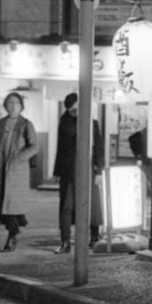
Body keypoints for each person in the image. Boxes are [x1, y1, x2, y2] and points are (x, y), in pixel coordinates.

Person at [52, 92, 104, 254]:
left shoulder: (92, 123)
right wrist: (57, 171)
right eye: (71, 110)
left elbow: (99, 149)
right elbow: (60, 148)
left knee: (92, 204)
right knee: (66, 206)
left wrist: (99, 171)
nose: (74, 112)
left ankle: (94, 236)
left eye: (77, 109)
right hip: (68, 170)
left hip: (88, 169)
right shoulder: (64, 122)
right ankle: (65, 241)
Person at [0, 92, 39, 252]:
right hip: (2, 170)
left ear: (21, 106)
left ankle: (12, 235)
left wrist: (20, 157)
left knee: (11, 207)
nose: (12, 106)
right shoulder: (0, 124)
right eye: (9, 103)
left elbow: (34, 146)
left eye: (16, 103)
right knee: (1, 208)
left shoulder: (26, 125)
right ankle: (17, 227)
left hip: (18, 172)